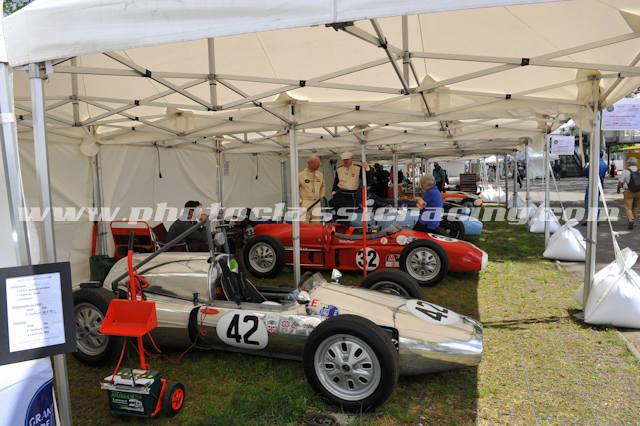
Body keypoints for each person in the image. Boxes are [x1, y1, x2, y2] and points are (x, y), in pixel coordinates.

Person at [331, 152, 370, 223]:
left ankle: (348, 227)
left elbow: (368, 180)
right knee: (338, 214)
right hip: (340, 194)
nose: (345, 161)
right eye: (344, 160)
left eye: (347, 159)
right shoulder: (339, 169)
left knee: (349, 215)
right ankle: (340, 227)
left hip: (351, 195)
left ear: (352, 158)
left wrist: (367, 169)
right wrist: (333, 191)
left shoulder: (358, 168)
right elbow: (336, 182)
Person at [581, 150, 608, 225]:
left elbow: (584, 173)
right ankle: (596, 219)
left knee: (588, 201)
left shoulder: (593, 163)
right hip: (600, 185)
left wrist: (585, 167)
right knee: (596, 201)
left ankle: (590, 219)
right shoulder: (604, 164)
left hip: (592, 184)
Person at [299, 155, 325, 223]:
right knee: (303, 223)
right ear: (311, 163)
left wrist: (321, 197)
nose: (319, 165)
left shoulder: (320, 175)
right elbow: (295, 189)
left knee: (316, 223)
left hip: (316, 202)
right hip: (305, 202)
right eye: (318, 163)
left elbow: (323, 186)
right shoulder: (301, 175)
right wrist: (300, 201)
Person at [617, 157, 640, 229]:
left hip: (628, 191)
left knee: (628, 207)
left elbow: (620, 182)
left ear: (629, 163)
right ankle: (634, 220)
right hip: (638, 191)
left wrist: (618, 189)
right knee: (635, 207)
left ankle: (631, 219)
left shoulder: (625, 171)